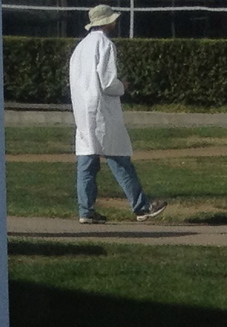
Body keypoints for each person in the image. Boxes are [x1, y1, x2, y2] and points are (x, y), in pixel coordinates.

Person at [69, 6, 162, 225]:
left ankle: (86, 210)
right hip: (102, 109)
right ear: (107, 22)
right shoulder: (106, 45)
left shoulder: (80, 47)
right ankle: (141, 207)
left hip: (83, 111)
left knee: (87, 161)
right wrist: (123, 86)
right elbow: (108, 82)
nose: (115, 24)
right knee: (119, 158)